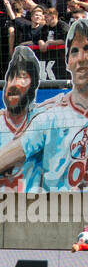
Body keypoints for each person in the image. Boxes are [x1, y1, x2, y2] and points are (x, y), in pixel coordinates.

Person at [0, 0, 88, 191]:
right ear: (68, 63)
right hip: (57, 213)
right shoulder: (49, 116)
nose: (81, 58)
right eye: (74, 51)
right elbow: (12, 154)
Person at [0, 45, 40, 190]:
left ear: (33, 84)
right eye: (11, 77)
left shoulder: (44, 120)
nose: (14, 84)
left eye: (22, 76)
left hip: (34, 205)